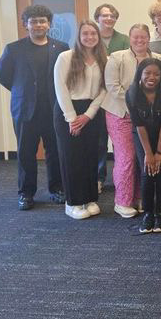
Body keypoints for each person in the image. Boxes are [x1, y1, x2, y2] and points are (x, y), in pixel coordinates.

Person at [0, 5, 69, 210]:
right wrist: (22, 90)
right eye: (33, 21)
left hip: (53, 109)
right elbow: (2, 76)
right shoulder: (14, 49)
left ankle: (57, 189)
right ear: (25, 24)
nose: (38, 25)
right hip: (25, 109)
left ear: (49, 24)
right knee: (26, 152)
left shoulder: (61, 48)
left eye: (42, 21)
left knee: (55, 151)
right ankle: (26, 193)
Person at [102, 24, 161, 218]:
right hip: (120, 114)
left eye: (143, 37)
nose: (139, 41)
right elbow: (112, 87)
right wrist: (136, 107)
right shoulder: (116, 58)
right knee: (126, 157)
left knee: (141, 157)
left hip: (148, 118)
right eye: (135, 37)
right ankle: (122, 201)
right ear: (129, 38)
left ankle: (138, 197)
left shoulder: (159, 59)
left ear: (148, 38)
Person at [53, 20, 107, 220]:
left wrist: (88, 115)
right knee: (72, 158)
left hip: (92, 111)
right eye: (85, 34)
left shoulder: (104, 59)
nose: (90, 37)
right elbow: (61, 89)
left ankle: (90, 198)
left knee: (91, 156)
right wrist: (72, 118)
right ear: (79, 36)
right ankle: (73, 202)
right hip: (68, 111)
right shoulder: (65, 57)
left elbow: (104, 89)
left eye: (93, 34)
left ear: (98, 37)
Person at [126, 58, 161, 234]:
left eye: (156, 73)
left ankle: (160, 213)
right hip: (142, 134)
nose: (152, 77)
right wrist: (149, 154)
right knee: (147, 170)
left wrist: (159, 152)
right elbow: (138, 124)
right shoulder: (132, 92)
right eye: (147, 73)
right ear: (140, 75)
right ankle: (148, 213)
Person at [94, 3, 130, 194]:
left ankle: (121, 176)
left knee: (120, 142)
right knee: (100, 140)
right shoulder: (91, 39)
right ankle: (99, 178)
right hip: (96, 96)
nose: (109, 19)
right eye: (104, 16)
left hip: (117, 97)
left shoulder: (124, 40)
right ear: (97, 18)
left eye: (112, 16)